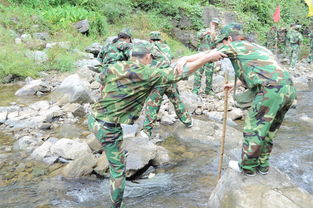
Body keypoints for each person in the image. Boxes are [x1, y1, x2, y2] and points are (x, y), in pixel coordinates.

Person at [88, 42, 226, 208]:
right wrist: (209, 58)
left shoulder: (114, 66)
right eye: (150, 58)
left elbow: (102, 84)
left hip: (93, 119)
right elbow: (181, 72)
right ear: (147, 57)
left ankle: (114, 151)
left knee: (115, 149)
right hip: (109, 128)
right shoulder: (148, 73)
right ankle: (116, 206)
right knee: (118, 170)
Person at [215, 23, 296, 176]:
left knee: (254, 128)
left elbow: (210, 54)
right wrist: (236, 84)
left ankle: (248, 167)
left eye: (223, 41)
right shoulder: (258, 47)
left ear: (229, 39)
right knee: (270, 130)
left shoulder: (236, 46)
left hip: (271, 90)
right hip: (288, 89)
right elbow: (264, 70)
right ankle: (263, 165)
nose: (223, 44)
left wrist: (185, 60)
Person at [140, 31, 192, 138]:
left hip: (158, 80)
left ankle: (147, 131)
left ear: (150, 39)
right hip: (170, 78)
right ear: (160, 39)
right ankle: (188, 121)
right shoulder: (166, 47)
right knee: (177, 101)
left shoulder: (150, 47)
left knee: (152, 106)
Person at [192, 17, 220, 95]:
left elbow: (217, 42)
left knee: (209, 73)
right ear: (210, 23)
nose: (214, 25)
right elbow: (198, 36)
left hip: (211, 56)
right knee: (198, 73)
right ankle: (195, 90)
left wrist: (213, 34)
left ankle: (208, 90)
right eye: (213, 23)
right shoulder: (204, 30)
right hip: (201, 55)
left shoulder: (218, 33)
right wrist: (206, 33)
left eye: (215, 24)